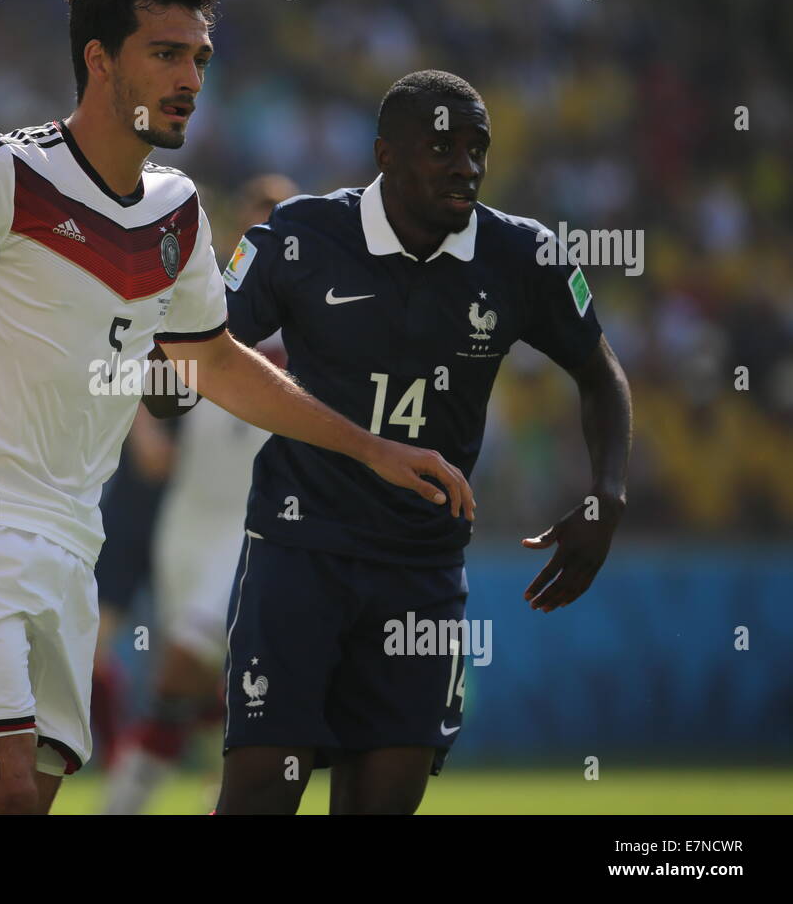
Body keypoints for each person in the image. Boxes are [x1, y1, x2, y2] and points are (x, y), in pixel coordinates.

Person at [0, 0, 471, 815]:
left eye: (199, 58)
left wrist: (371, 449)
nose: (190, 79)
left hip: (69, 545)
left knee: (20, 804)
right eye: (166, 54)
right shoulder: (4, 171)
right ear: (99, 60)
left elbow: (218, 364)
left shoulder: (178, 211)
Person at [215, 70, 633, 814]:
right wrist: (158, 382)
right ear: (385, 154)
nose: (466, 164)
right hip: (296, 550)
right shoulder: (300, 235)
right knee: (259, 794)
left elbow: (600, 375)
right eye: (444, 146)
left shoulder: (523, 255)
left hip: (422, 568)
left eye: (478, 147)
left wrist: (607, 496)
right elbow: (206, 351)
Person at [102, 174, 298, 814]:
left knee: (186, 661)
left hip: (254, 526)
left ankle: (124, 802)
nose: (268, 229)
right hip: (186, 522)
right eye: (258, 216)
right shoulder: (203, 299)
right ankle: (223, 796)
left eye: (280, 217)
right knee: (207, 681)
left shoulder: (317, 317)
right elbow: (139, 362)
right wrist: (144, 429)